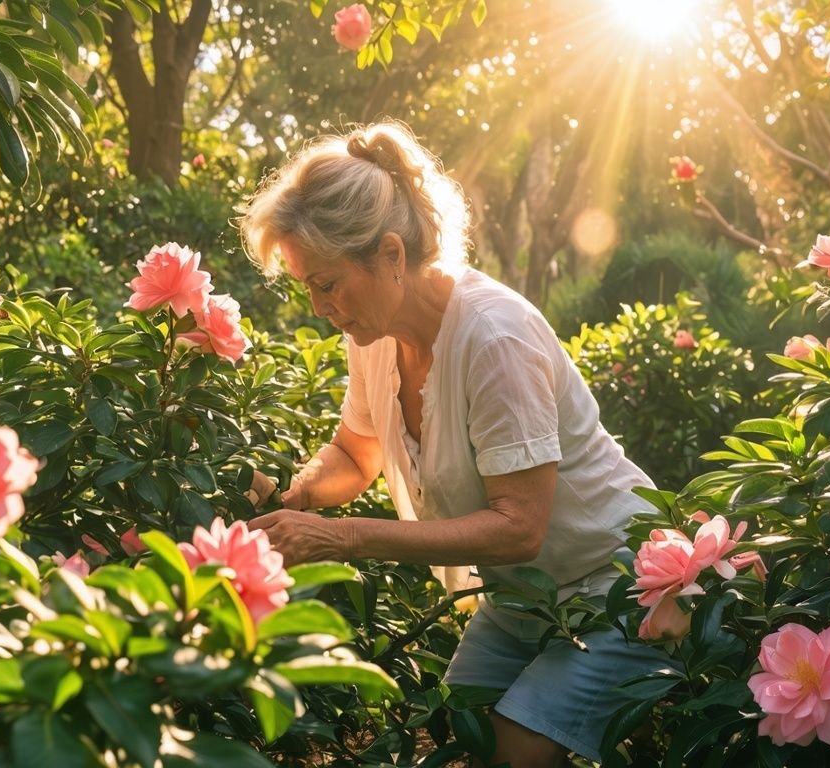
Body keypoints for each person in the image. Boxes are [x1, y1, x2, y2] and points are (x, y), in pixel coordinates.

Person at [239, 121, 663, 768]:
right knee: (451, 724)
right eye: (307, 288)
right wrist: (294, 495)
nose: (318, 307)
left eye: (327, 284)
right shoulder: (372, 336)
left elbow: (518, 528)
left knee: (518, 743)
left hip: (622, 585)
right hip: (526, 598)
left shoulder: (494, 338)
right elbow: (357, 455)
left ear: (390, 255)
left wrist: (344, 537)